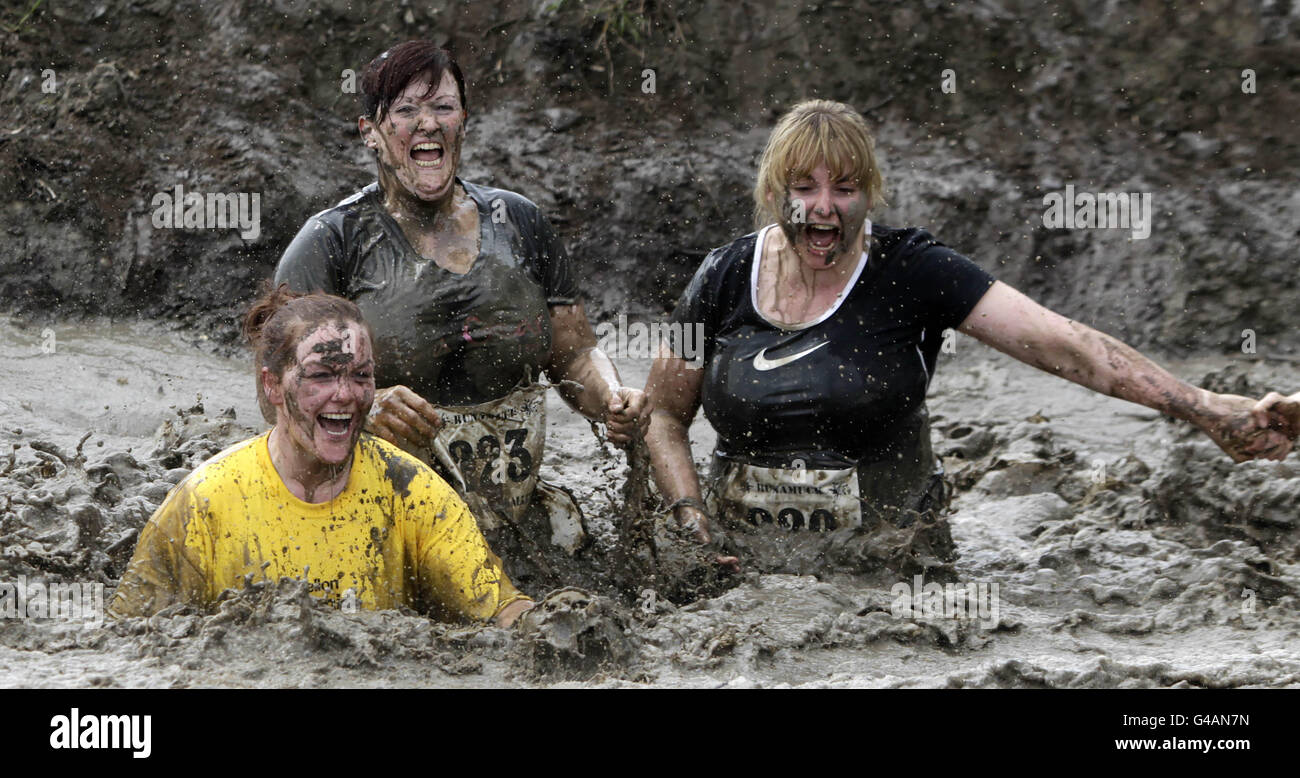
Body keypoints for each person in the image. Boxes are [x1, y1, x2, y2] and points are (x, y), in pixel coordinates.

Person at [643, 99, 1295, 579]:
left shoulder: (914, 272)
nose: (823, 208)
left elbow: (1062, 344)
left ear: (870, 196)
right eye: (803, 188)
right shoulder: (723, 277)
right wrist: (687, 516)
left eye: (845, 189)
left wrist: (1208, 408)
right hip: (744, 563)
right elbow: (665, 414)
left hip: (886, 562)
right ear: (771, 193)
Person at [273, 41, 648, 590]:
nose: (428, 124)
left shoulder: (519, 221)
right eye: (405, 111)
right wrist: (366, 404)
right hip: (385, 516)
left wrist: (613, 399)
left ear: (464, 122)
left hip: (512, 516)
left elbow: (574, 355)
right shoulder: (332, 241)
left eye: (443, 107)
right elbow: (274, 391)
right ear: (371, 132)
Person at [109, 287, 534, 627]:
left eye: (360, 376)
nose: (345, 394)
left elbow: (502, 611)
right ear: (273, 386)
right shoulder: (204, 503)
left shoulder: (411, 491)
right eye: (322, 376)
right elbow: (126, 642)